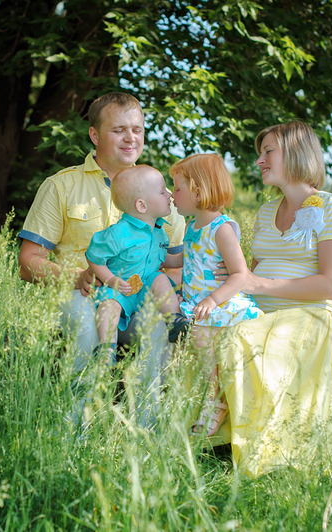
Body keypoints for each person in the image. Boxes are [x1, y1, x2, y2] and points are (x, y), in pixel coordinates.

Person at [17, 92, 186, 427]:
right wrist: (75, 277)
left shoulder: (160, 194)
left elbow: (174, 266)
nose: (131, 138)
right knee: (85, 327)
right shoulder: (61, 186)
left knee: (158, 327)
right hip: (80, 294)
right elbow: (28, 261)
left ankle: (147, 431)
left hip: (135, 297)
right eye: (119, 130)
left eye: (137, 130)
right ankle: (73, 429)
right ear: (95, 135)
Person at [211, 121, 332, 477]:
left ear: (295, 153)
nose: (259, 160)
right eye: (260, 153)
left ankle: (261, 455)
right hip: (261, 314)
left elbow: (328, 285)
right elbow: (250, 273)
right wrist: (230, 279)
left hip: (315, 316)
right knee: (203, 331)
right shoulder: (265, 212)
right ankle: (209, 439)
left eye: (268, 151)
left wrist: (258, 284)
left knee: (239, 338)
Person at [164, 154, 263, 436]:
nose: (172, 195)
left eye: (178, 188)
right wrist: (153, 254)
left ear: (198, 191)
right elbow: (183, 259)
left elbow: (240, 274)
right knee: (175, 342)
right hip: (197, 303)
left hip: (221, 302)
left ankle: (215, 399)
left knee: (198, 336)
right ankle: (176, 400)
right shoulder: (192, 227)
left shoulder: (222, 229)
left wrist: (211, 300)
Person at [86, 165, 190, 362]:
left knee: (160, 278)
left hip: (145, 290)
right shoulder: (118, 233)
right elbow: (94, 257)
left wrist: (181, 258)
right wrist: (111, 280)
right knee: (109, 306)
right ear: (142, 205)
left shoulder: (159, 231)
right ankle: (107, 349)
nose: (169, 195)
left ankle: (174, 320)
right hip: (120, 288)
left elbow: (162, 258)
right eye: (162, 192)